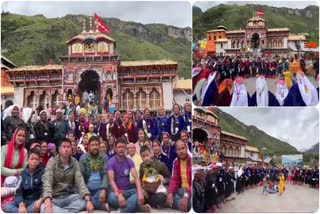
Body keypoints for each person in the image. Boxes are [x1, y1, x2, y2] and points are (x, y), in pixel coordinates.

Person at [41, 138, 93, 213]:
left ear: (71, 149)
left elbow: (80, 181)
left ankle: (62, 211)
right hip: (55, 198)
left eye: (68, 147)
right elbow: (47, 182)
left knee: (84, 201)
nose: (66, 149)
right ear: (59, 149)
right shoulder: (52, 162)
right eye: (64, 147)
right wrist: (48, 201)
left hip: (69, 196)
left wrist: (88, 200)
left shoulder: (74, 162)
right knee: (43, 208)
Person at [107, 137, 150, 212]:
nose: (121, 149)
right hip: (117, 192)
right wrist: (119, 195)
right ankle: (134, 207)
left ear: (126, 149)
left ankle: (122, 210)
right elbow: (111, 181)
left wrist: (139, 193)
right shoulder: (111, 162)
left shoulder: (129, 161)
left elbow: (136, 177)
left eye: (123, 147)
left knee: (139, 194)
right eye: (119, 147)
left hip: (128, 191)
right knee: (111, 197)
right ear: (115, 149)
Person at [3, 148, 44, 213]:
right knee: (7, 207)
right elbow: (18, 191)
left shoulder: (43, 173)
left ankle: (23, 212)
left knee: (38, 208)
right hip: (24, 201)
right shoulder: (22, 173)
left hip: (35, 201)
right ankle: (24, 212)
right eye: (32, 159)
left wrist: (40, 200)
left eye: (36, 159)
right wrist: (21, 204)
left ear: (39, 161)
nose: (34, 161)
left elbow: (45, 190)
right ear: (28, 160)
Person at [79, 136, 110, 211]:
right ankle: (99, 205)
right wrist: (85, 193)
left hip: (100, 188)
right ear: (88, 147)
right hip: (88, 188)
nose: (95, 147)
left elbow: (106, 175)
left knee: (110, 196)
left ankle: (90, 202)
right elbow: (81, 177)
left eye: (96, 145)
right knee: (78, 198)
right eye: (92, 145)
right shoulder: (83, 158)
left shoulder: (104, 157)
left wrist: (103, 189)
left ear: (99, 146)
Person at [166, 139, 191, 212]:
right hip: (181, 190)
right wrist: (170, 192)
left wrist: (186, 195)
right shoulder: (176, 162)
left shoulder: (192, 160)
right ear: (176, 151)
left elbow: (194, 182)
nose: (181, 151)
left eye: (183, 148)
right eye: (178, 149)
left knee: (190, 203)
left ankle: (181, 204)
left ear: (186, 148)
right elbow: (174, 179)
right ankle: (181, 204)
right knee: (167, 194)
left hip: (191, 191)